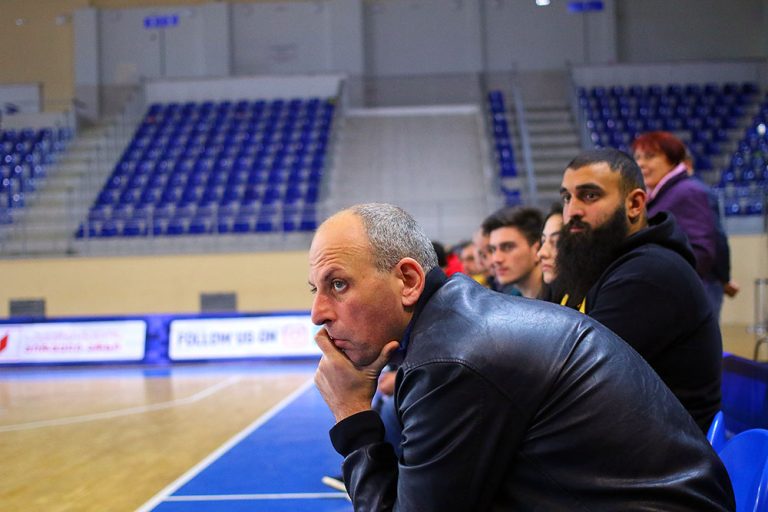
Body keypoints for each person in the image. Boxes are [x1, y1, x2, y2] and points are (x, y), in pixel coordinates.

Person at [310, 202, 734, 511]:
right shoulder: (457, 325)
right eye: (317, 290)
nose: (318, 313)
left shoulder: (452, 359)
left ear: (407, 280)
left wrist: (352, 414)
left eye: (338, 284)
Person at [557, 148, 723, 432]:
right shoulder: (602, 263)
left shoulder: (649, 274)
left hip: (666, 452)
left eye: (590, 196)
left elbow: (573, 377)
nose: (572, 211)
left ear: (634, 204)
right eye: (566, 198)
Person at [632, 132, 719, 290]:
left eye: (650, 156)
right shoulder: (658, 194)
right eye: (637, 157)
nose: (641, 163)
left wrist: (663, 283)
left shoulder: (688, 192)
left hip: (677, 290)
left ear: (671, 159)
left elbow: (701, 252)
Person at [481, 206, 545, 298]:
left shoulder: (560, 301)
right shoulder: (508, 298)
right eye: (493, 250)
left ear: (537, 250)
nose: (496, 259)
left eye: (508, 247)